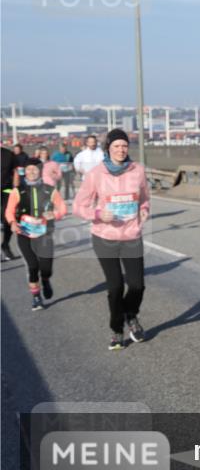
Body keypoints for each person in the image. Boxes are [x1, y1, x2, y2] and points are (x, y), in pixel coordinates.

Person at [72, 129, 150, 351]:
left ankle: (131, 314)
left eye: (124, 146)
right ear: (108, 148)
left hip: (131, 235)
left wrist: (144, 209)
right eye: (116, 146)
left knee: (137, 285)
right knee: (115, 287)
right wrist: (97, 215)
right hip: (104, 236)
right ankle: (117, 330)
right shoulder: (96, 173)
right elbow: (78, 206)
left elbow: (144, 198)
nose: (121, 149)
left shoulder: (138, 171)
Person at [4, 158, 67, 310]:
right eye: (28, 169)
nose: (31, 172)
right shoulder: (17, 191)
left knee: (46, 267)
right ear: (24, 172)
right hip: (24, 234)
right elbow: (9, 211)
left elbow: (62, 208)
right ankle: (36, 296)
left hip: (44, 234)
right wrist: (12, 223)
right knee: (32, 266)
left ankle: (45, 280)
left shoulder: (50, 190)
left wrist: (55, 214)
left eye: (35, 169)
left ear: (40, 171)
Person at [2, 146, 21, 261]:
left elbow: (16, 172)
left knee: (8, 218)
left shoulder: (8, 154)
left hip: (6, 190)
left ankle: (5, 245)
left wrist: (16, 189)